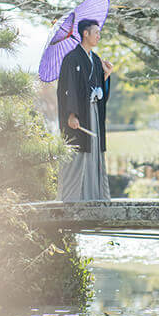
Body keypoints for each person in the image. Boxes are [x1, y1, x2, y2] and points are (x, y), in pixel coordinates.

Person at [56, 18, 114, 201]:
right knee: (78, 153)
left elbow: (99, 89)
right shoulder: (71, 59)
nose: (99, 36)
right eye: (96, 32)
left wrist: (106, 75)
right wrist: (71, 114)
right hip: (80, 115)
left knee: (94, 152)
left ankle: (96, 197)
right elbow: (68, 89)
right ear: (85, 34)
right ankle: (72, 199)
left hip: (94, 113)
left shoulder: (96, 60)